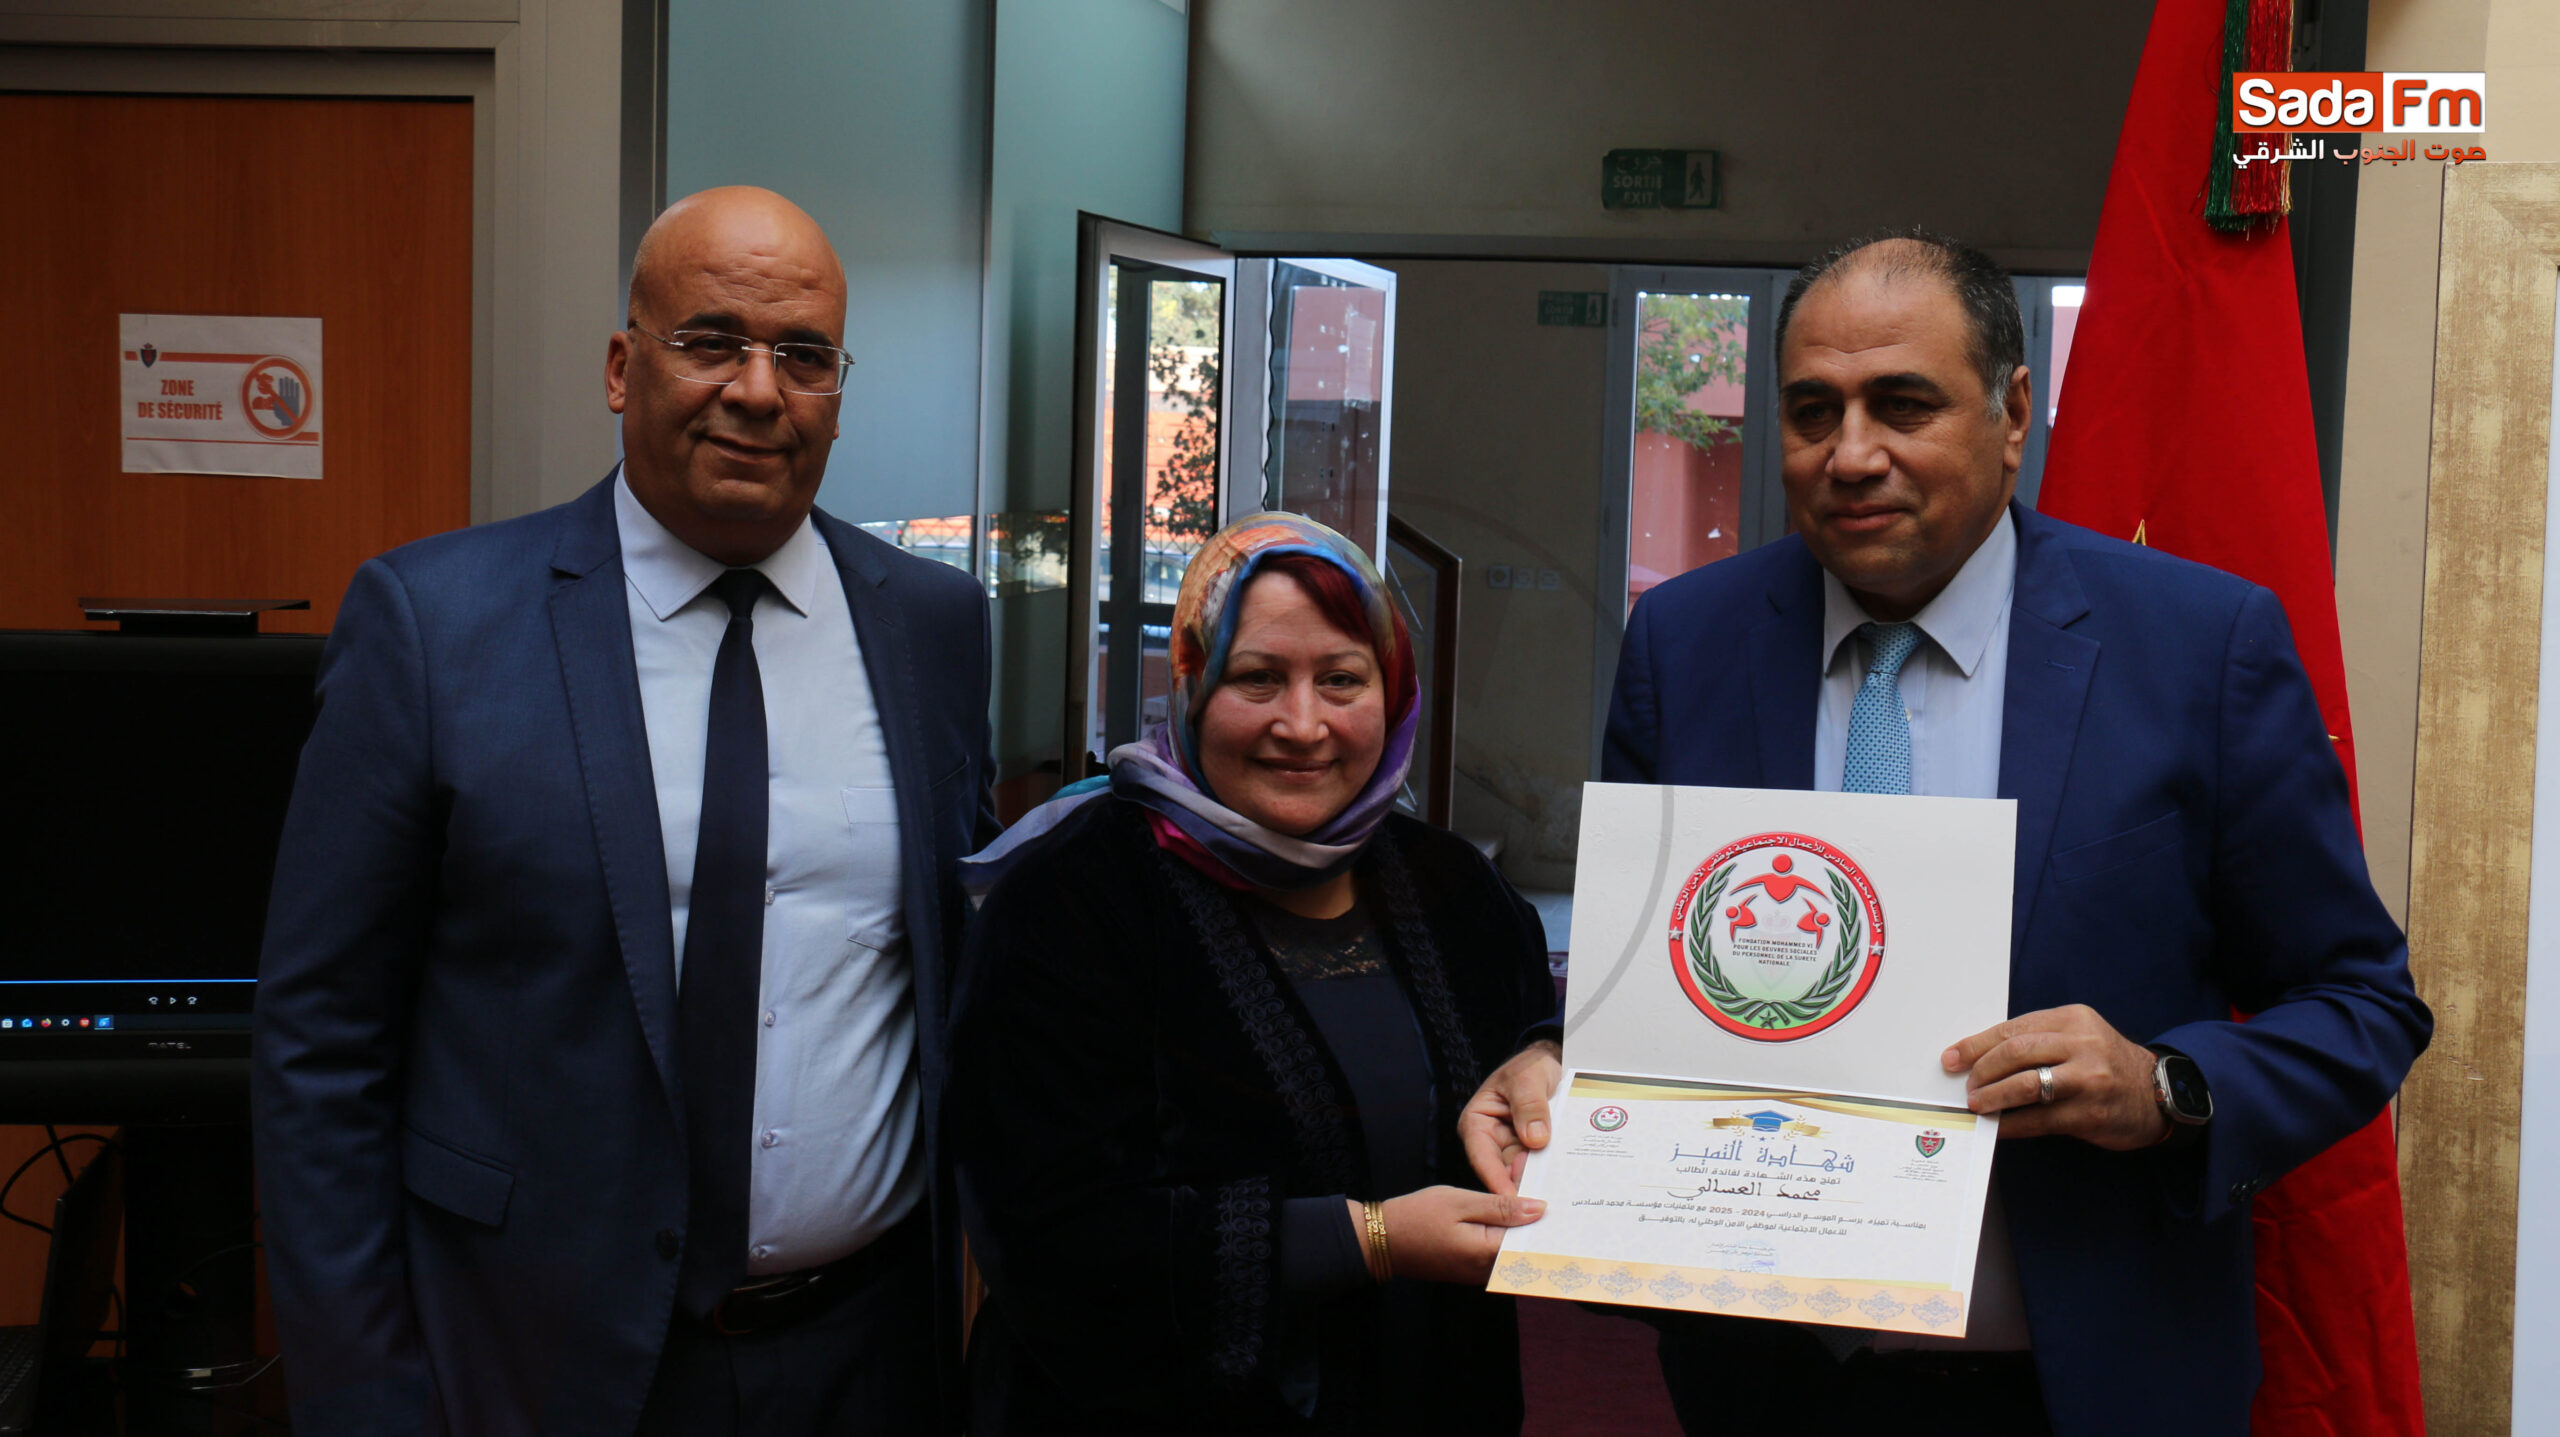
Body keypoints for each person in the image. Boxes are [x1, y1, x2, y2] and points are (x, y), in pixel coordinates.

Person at [1458, 232, 2430, 1435]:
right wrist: (1558, 1057)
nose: (1850, 454)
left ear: (2012, 414)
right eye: (1812, 412)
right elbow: (1658, 973)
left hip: (2083, 1386)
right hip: (1771, 1386)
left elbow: (2359, 1001)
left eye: (1903, 404)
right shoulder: (1686, 642)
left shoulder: (2195, 646)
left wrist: (2166, 1086)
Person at [252, 186, 996, 1435]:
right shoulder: (434, 627)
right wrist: (367, 1398)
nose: (757, 391)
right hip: (530, 1364)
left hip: (866, 1361)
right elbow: (321, 1047)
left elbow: (956, 985)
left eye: (803, 356)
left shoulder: (934, 627)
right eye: (710, 341)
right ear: (619, 367)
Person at [947, 515, 1552, 1433]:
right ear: (1191, 685)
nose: (1302, 725)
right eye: (1257, 677)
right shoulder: (1069, 903)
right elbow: (1051, 1237)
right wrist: (1371, 1238)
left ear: (1392, 692)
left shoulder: (1455, 887)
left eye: (1342, 679)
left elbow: (1539, 1041)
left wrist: (1547, 1056)